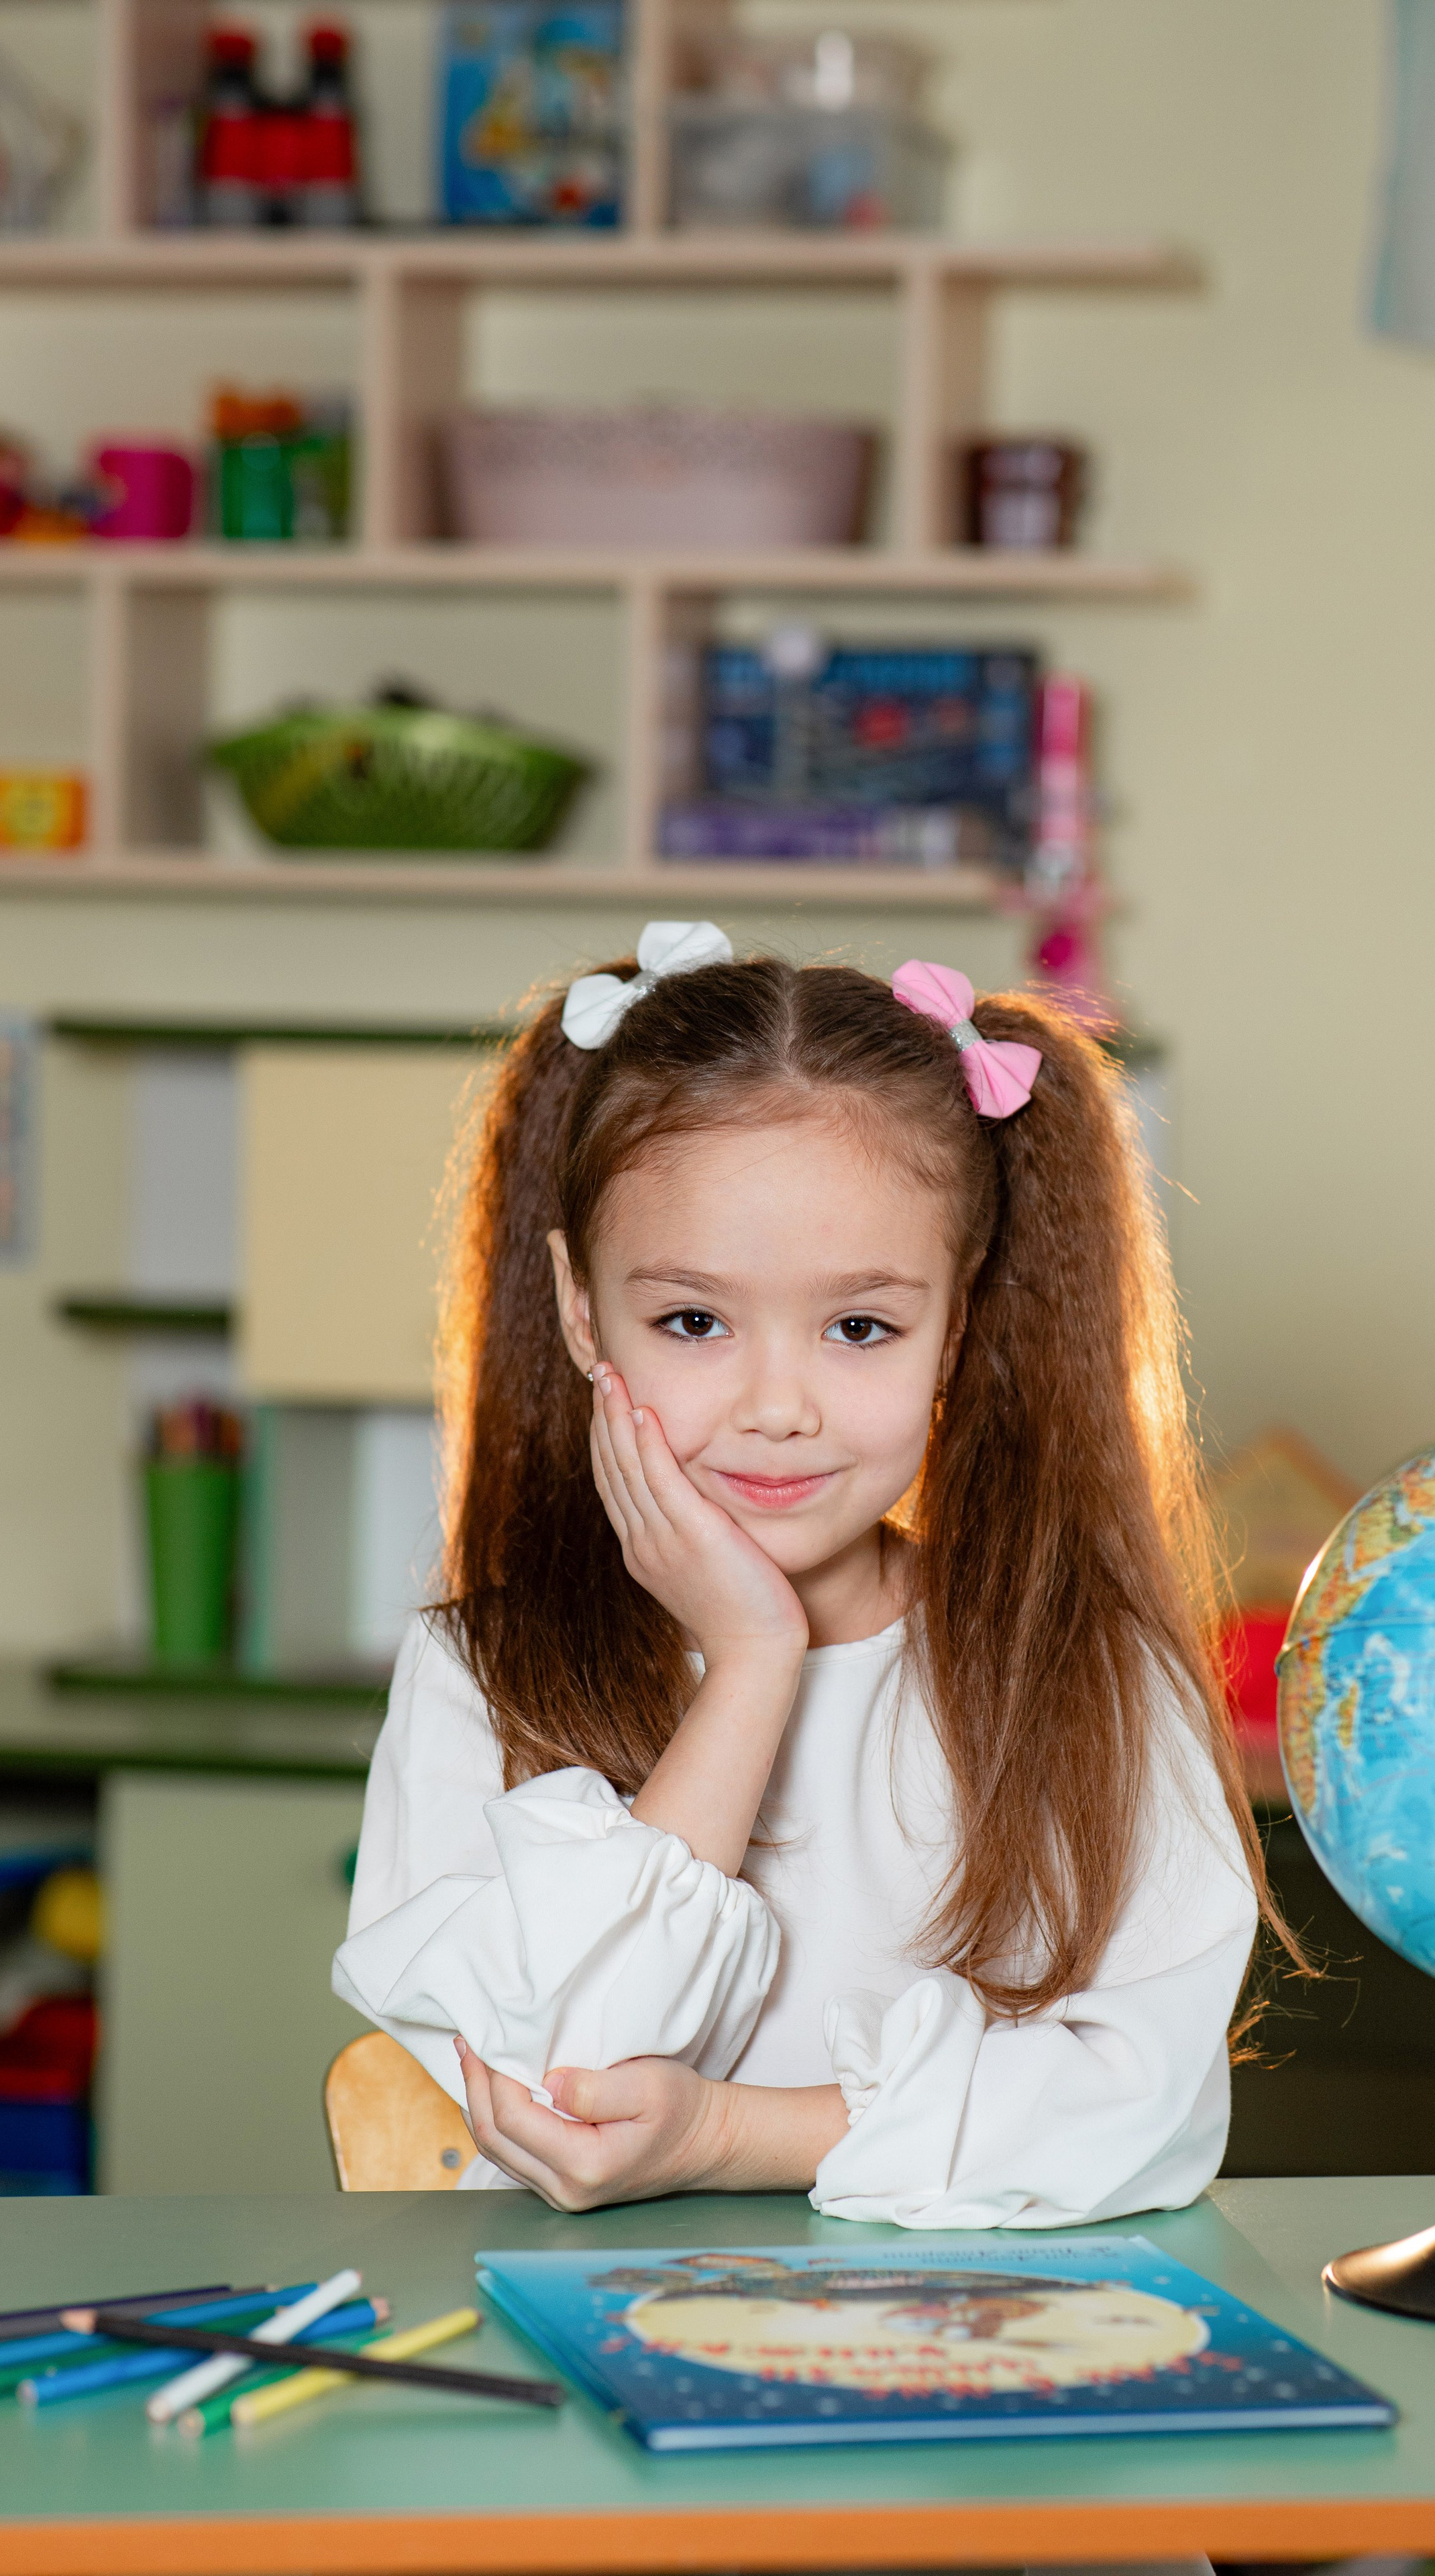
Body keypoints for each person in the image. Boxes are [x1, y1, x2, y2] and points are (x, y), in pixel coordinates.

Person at [333, 922, 1269, 2226]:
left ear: (957, 1323)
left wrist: (732, 2135)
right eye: (693, 1320)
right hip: (587, 2331)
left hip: (973, 2336)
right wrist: (751, 1666)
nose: (778, 1408)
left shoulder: (1091, 1672)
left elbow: (1145, 2105)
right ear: (580, 1308)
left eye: (859, 1326)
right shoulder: (474, 1679)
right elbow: (562, 2094)